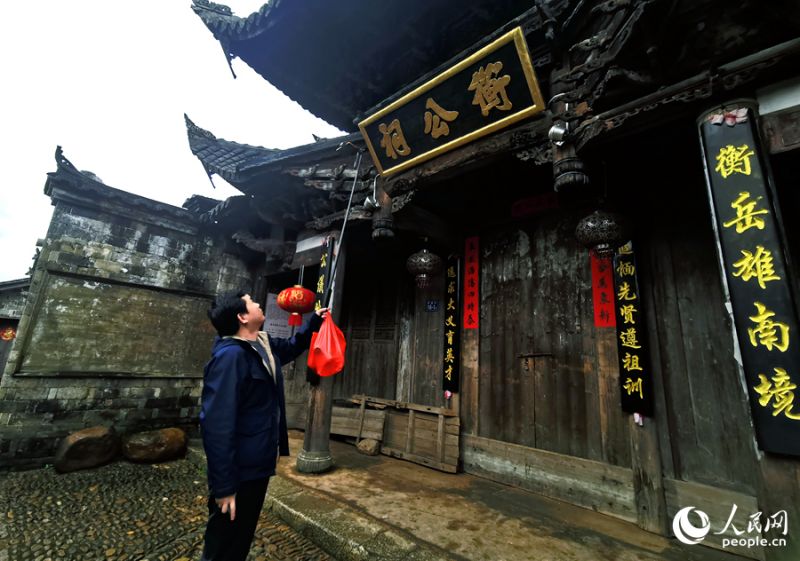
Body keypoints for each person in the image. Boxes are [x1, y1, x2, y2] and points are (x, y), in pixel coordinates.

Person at [199, 290, 327, 561]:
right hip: (239, 470)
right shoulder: (231, 357)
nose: (258, 304)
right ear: (242, 316)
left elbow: (292, 347)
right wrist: (223, 486)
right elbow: (217, 424)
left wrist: (313, 322)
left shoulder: (262, 343)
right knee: (224, 543)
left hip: (257, 463)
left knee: (241, 537)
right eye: (252, 302)